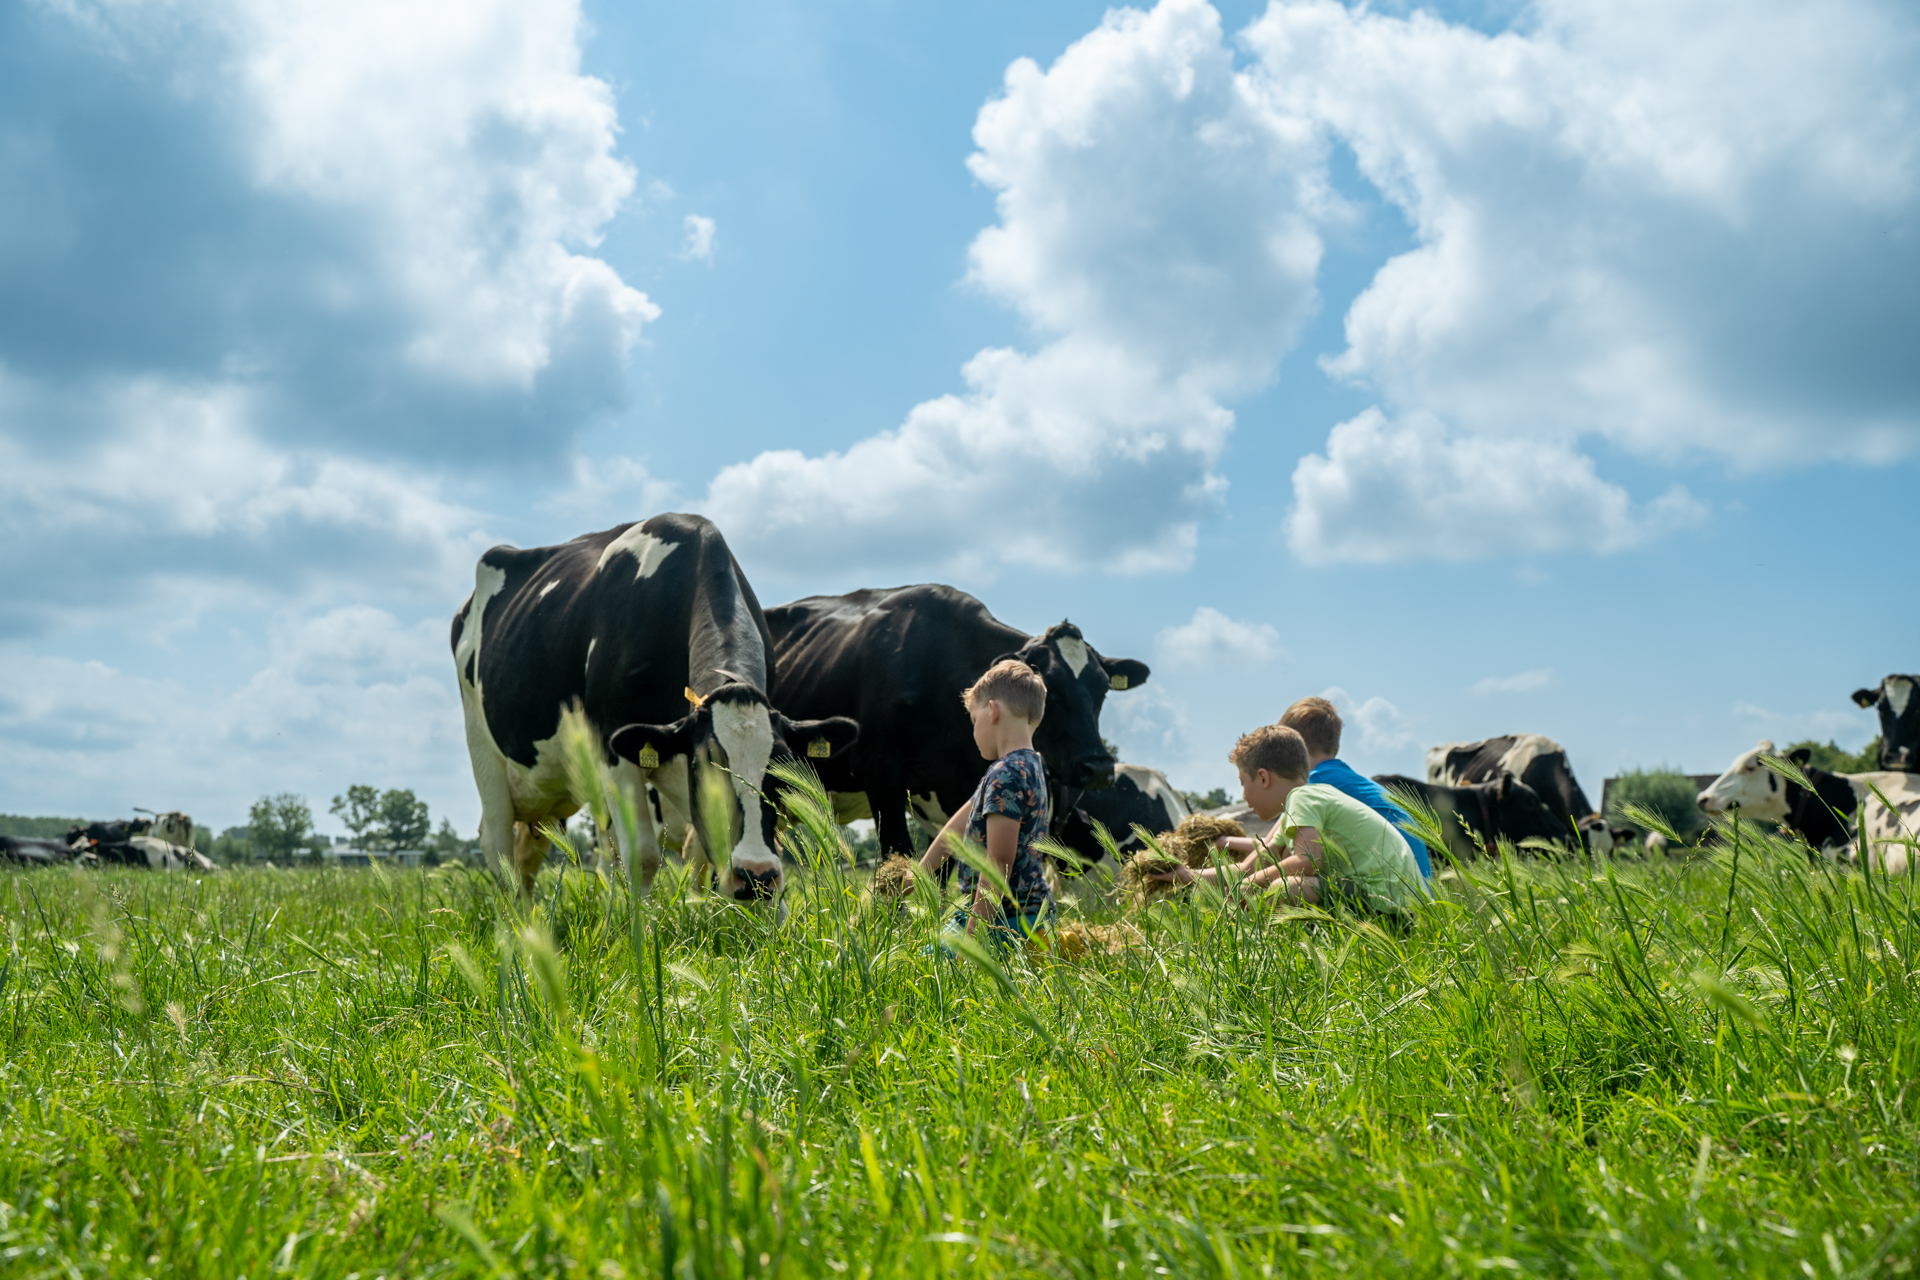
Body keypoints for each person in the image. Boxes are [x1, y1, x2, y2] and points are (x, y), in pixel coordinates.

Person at [1150, 724, 1426, 917]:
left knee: (1289, 887)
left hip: (1394, 902)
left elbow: (1308, 861)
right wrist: (1188, 875)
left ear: (1263, 777)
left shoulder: (1304, 798)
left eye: (1242, 783)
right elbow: (1246, 868)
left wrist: (1247, 886)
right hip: (1388, 898)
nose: (1243, 796)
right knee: (1280, 884)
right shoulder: (1297, 812)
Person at [918, 658, 1054, 945]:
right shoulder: (1031, 767)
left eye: (973, 720)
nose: (973, 730)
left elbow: (998, 862)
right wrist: (918, 876)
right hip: (1033, 914)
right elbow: (957, 825)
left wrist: (973, 940)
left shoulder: (1004, 774)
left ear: (992, 712)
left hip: (1002, 922)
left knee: (927, 971)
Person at [1279, 696, 1433, 879]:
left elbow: (1273, 847)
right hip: (1422, 893)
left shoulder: (1312, 784)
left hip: (1392, 889)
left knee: (1290, 861)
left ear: (1291, 746)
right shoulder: (1344, 778)